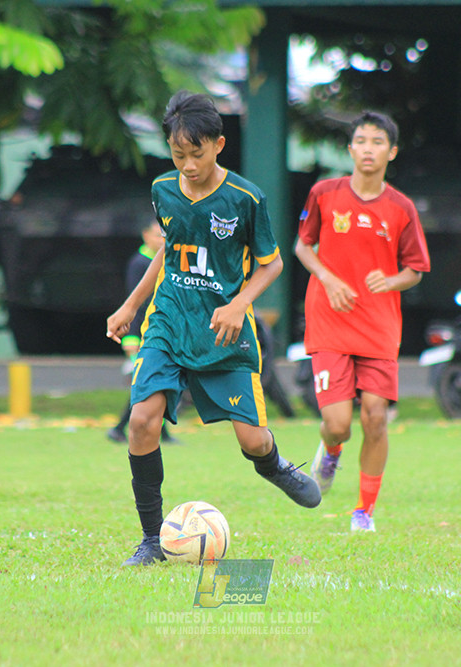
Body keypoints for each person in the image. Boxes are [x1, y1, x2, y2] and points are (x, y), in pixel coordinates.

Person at [106, 90, 321, 566]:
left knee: (251, 440)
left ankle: (274, 464)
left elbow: (272, 264)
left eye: (196, 154)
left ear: (219, 145)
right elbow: (167, 250)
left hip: (224, 332)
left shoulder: (246, 198)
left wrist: (239, 303)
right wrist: (130, 306)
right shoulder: (163, 190)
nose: (187, 165)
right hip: (170, 320)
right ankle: (150, 539)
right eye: (178, 154)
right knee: (142, 420)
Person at [294, 111, 431, 532]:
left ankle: (363, 513)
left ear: (391, 151)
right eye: (360, 141)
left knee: (374, 417)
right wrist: (328, 277)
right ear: (350, 149)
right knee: (338, 424)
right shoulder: (324, 193)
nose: (367, 148)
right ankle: (330, 450)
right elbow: (302, 246)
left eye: (377, 142)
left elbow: (416, 269)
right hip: (330, 321)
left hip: (378, 327)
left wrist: (389, 281)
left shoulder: (401, 207)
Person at [106, 221, 176, 445]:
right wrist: (131, 337)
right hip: (142, 335)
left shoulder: (167, 261)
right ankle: (118, 428)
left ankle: (160, 432)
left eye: (163, 236)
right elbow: (136, 304)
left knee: (155, 382)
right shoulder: (140, 263)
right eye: (157, 236)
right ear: (145, 235)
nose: (161, 241)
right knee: (148, 383)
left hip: (158, 332)